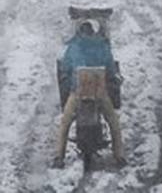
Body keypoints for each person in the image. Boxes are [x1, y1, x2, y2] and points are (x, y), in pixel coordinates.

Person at [53, 19, 125, 167]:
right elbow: (111, 68)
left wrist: (67, 74)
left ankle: (59, 157)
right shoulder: (103, 47)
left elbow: (65, 67)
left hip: (78, 91)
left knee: (65, 123)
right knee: (113, 121)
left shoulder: (73, 47)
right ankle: (119, 156)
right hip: (99, 92)